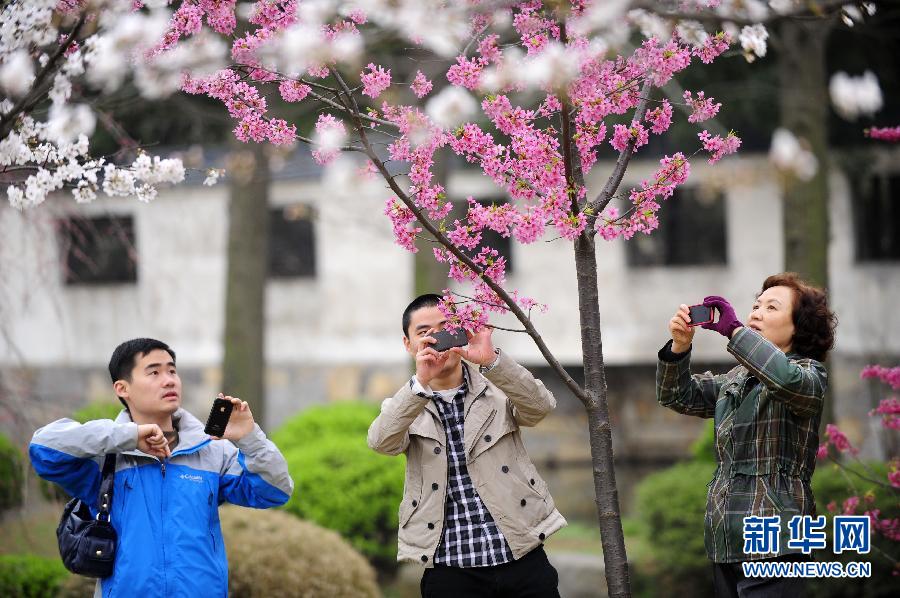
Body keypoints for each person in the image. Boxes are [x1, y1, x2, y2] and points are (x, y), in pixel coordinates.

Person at [30, 338, 294, 597]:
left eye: (172, 370)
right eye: (154, 372)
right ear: (123, 388)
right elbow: (43, 448)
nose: (169, 380)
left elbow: (275, 491)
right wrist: (130, 437)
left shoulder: (213, 451)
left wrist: (250, 438)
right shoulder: (106, 457)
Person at [368, 294, 566, 597]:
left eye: (446, 327)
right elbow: (381, 442)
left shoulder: (498, 389)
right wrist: (420, 382)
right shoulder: (405, 405)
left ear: (461, 331)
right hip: (450, 569)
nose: (437, 338)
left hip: (521, 557)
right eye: (423, 332)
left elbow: (540, 407)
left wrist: (493, 362)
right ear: (408, 345)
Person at [656, 273, 837, 597]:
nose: (756, 312)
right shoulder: (737, 379)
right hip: (726, 537)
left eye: (771, 307)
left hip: (778, 537)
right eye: (756, 305)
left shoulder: (811, 374)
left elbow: (785, 380)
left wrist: (733, 331)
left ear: (799, 326)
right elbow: (677, 396)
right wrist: (680, 346)